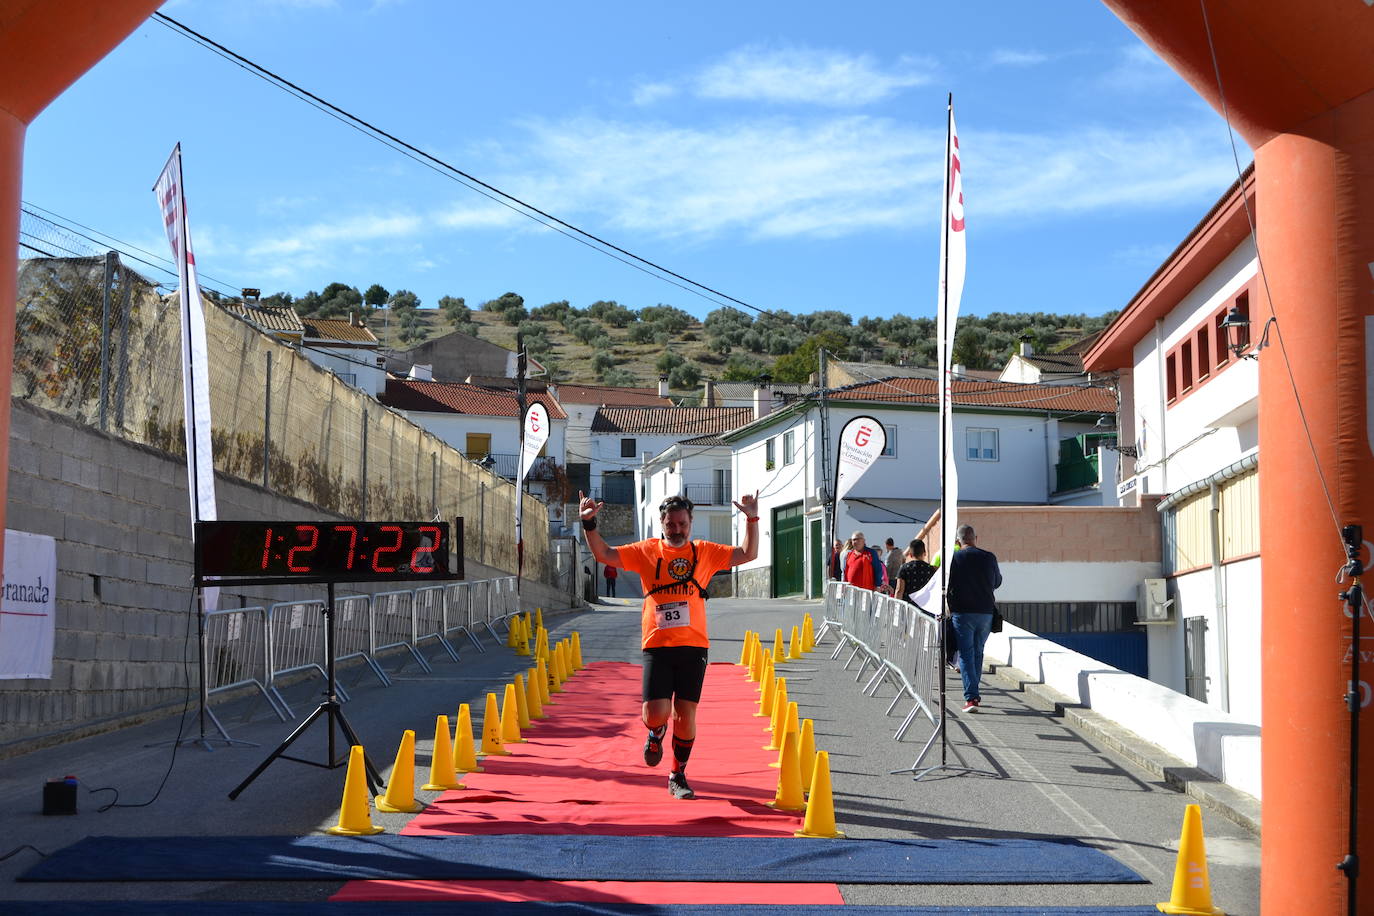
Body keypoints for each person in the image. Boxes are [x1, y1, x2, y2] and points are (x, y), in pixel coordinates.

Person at [578, 489, 759, 800]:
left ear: (690, 523)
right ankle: (655, 732)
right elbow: (604, 555)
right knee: (655, 713)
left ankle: (678, 774)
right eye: (670, 524)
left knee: (686, 715)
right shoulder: (646, 551)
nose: (677, 529)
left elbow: (747, 554)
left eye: (682, 524)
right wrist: (590, 524)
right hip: (657, 644)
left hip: (694, 647)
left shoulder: (704, 551)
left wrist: (752, 519)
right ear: (661, 524)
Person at [945, 524, 1002, 713]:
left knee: (967, 654)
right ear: (975, 537)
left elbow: (947, 584)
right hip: (985, 612)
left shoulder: (953, 558)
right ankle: (974, 693)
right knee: (978, 652)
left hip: (962, 613)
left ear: (957, 541)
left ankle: (971, 698)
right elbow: (997, 582)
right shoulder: (989, 557)